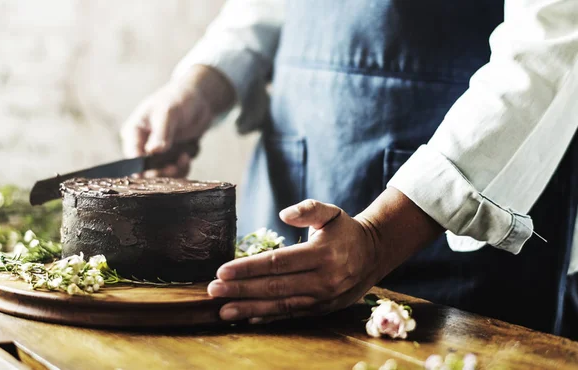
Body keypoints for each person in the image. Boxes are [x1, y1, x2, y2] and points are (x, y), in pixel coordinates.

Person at [121, 0, 578, 337]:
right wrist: (201, 86)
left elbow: (553, 43)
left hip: (467, 232)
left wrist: (381, 238)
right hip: (294, 170)